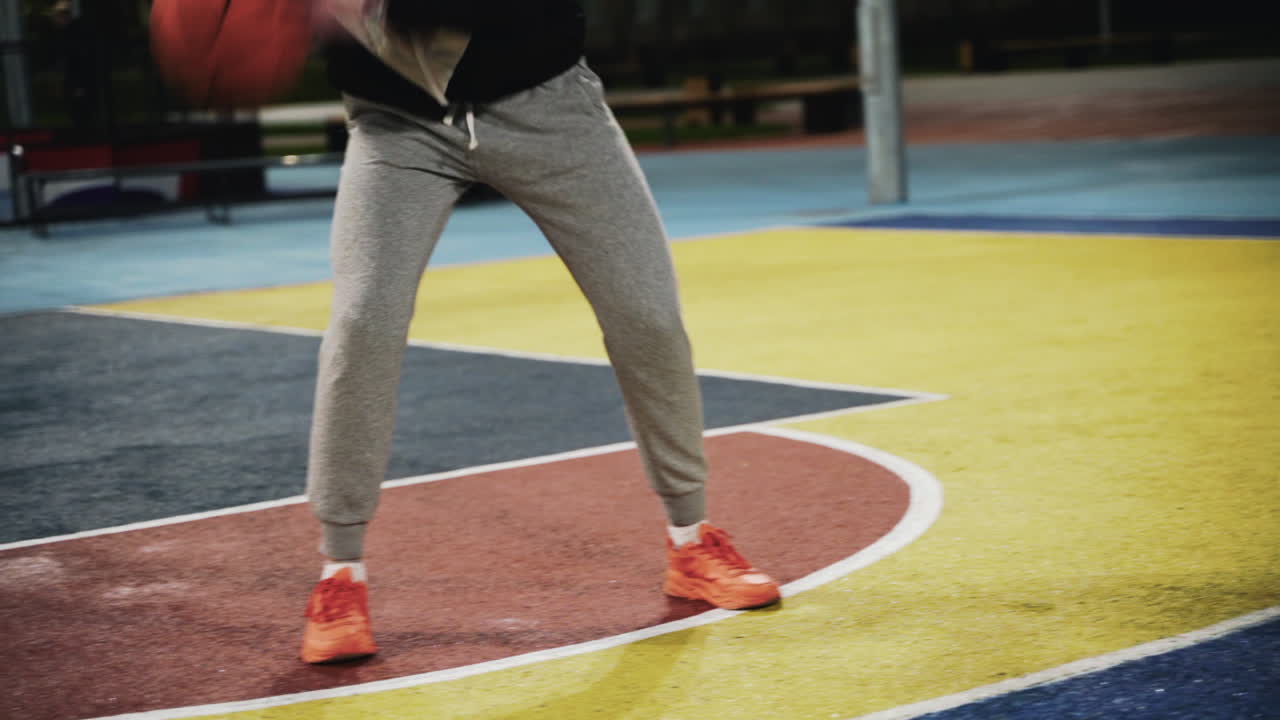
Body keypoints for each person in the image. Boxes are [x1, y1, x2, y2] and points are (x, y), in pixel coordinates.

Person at [300, 0, 780, 664]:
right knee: (362, 322)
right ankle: (340, 575)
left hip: (548, 105)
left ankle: (691, 540)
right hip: (397, 123)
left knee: (647, 314)